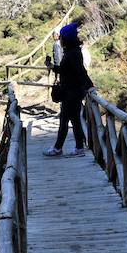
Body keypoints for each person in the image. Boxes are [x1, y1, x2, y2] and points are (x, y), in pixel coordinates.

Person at [43, 22, 94, 157]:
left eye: (62, 38)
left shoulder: (73, 53)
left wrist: (90, 86)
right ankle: (78, 148)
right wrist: (51, 66)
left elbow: (81, 72)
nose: (60, 40)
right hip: (72, 91)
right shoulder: (72, 52)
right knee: (75, 119)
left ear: (66, 39)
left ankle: (58, 148)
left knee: (64, 120)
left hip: (72, 92)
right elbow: (65, 70)